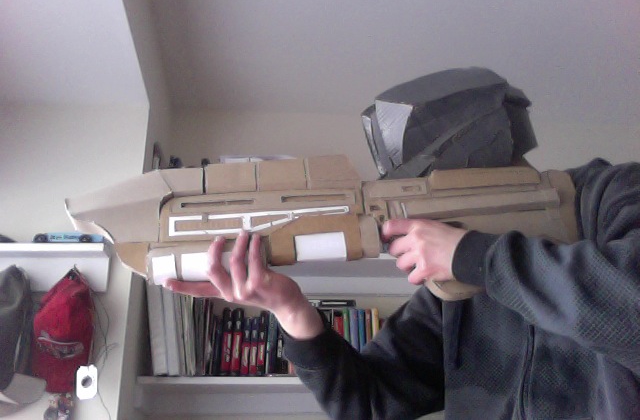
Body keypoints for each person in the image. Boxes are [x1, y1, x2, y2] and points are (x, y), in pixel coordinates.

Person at [166, 158, 640, 420]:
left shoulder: (609, 193)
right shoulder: (451, 298)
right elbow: (369, 405)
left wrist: (473, 256)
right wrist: (290, 310)